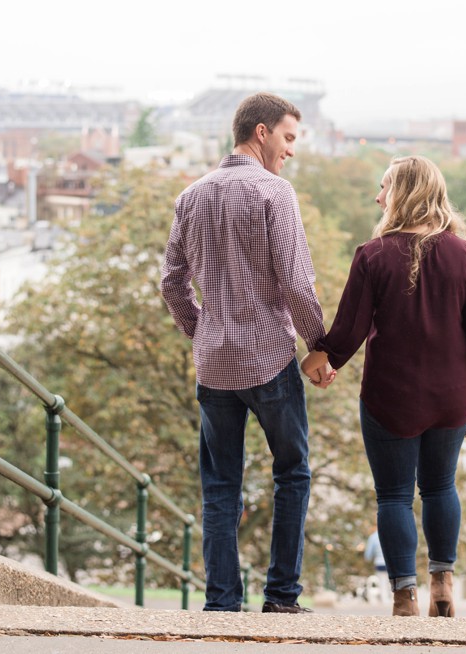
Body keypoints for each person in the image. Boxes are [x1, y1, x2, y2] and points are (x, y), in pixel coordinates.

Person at [301, 156, 466, 617]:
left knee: (393, 495)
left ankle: (404, 595)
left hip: (389, 395)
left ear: (404, 192)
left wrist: (319, 359)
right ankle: (444, 581)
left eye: (385, 186)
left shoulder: (373, 255)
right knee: (440, 487)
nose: (378, 196)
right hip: (450, 396)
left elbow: (349, 330)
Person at [160, 92, 333, 614]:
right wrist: (320, 346)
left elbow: (171, 284)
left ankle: (222, 604)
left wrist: (203, 330)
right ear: (261, 132)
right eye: (288, 137)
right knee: (293, 473)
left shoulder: (190, 197)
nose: (292, 151)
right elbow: (297, 284)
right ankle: (280, 597)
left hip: (214, 365)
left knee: (219, 488)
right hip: (269, 360)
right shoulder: (275, 194)